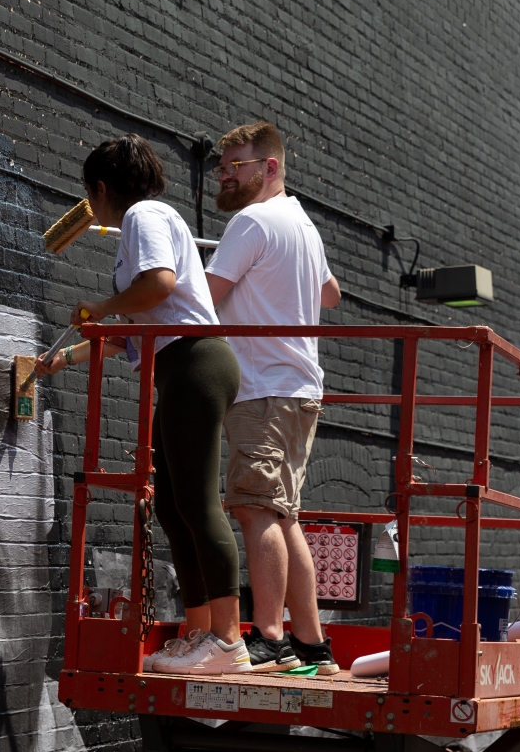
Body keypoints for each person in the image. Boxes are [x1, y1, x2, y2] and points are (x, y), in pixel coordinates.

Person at [37, 135, 248, 674]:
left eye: (91, 195)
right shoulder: (147, 222)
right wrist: (66, 359)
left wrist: (102, 304)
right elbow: (141, 325)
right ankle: (200, 632)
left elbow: (158, 285)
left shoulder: (144, 216)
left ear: (101, 189)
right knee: (174, 507)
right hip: (181, 365)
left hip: (195, 363)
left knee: (198, 505)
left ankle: (228, 642)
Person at [203, 121, 342, 674]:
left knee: (256, 509)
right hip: (301, 389)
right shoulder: (301, 224)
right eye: (223, 166)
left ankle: (269, 637)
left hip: (262, 389)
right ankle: (312, 645)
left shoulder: (253, 221)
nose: (226, 175)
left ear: (271, 167)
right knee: (283, 516)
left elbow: (205, 300)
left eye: (237, 165)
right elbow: (330, 294)